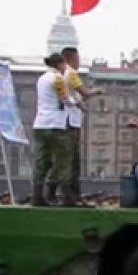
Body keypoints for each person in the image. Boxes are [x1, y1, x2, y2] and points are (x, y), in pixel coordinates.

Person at [32, 53, 79, 206]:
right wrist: (76, 102)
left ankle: (37, 195)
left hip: (40, 124)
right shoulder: (57, 78)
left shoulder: (41, 78)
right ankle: (50, 189)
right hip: (55, 125)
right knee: (64, 159)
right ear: (60, 64)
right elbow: (65, 99)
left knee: (41, 160)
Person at [60, 47, 104, 199]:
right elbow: (85, 92)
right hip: (70, 122)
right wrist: (97, 91)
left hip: (68, 121)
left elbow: (76, 99)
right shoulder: (70, 73)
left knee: (70, 160)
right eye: (77, 59)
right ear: (71, 58)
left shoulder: (61, 75)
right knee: (71, 161)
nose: (78, 62)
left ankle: (71, 194)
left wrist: (82, 104)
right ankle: (71, 195)